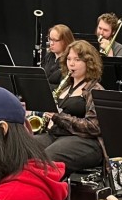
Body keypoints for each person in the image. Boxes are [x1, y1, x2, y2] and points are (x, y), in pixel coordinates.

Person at [35, 40, 106, 177]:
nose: (71, 64)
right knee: (22, 150)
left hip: (86, 141)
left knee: (48, 157)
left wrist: (59, 117)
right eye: (68, 59)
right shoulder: (65, 87)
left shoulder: (95, 90)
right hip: (57, 134)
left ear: (88, 63)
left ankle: (48, 195)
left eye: (77, 60)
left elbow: (94, 127)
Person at [41, 24, 75, 88]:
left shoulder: (70, 60)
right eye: (50, 39)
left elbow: (64, 86)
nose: (51, 43)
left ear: (65, 41)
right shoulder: (49, 56)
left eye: (55, 40)